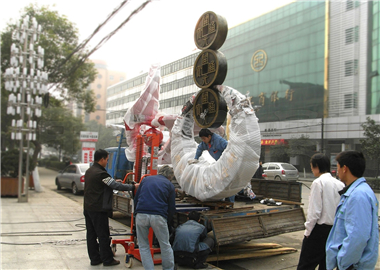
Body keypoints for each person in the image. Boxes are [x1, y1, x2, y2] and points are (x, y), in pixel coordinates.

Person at [326, 151, 379, 270]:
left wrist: (343, 262)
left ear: (344, 168)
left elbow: (358, 237)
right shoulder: (358, 191)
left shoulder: (358, 196)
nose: (337, 170)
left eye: (338, 167)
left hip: (352, 265)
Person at [83, 149, 136, 266]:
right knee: (103, 235)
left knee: (91, 235)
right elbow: (114, 185)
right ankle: (107, 259)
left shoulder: (90, 171)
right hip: (98, 209)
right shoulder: (101, 173)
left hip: (88, 208)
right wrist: (132, 187)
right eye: (107, 159)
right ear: (102, 159)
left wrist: (113, 181)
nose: (107, 162)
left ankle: (95, 259)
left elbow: (108, 183)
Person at [297, 153, 344, 270]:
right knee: (326, 264)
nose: (311, 170)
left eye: (312, 166)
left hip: (318, 230)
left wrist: (308, 231)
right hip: (334, 231)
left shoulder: (318, 183)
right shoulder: (340, 184)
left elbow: (314, 211)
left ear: (317, 166)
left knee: (306, 265)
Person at [134, 165, 176, 270]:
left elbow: (137, 198)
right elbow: (171, 207)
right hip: (158, 216)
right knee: (165, 245)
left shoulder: (146, 179)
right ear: (170, 176)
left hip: (141, 214)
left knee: (143, 246)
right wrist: (168, 221)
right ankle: (168, 268)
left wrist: (136, 213)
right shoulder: (169, 185)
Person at [190, 129, 235, 203]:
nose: (203, 140)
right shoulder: (205, 143)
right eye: (202, 139)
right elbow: (200, 148)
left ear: (209, 136)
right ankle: (219, 199)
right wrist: (196, 158)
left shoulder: (219, 141)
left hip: (228, 164)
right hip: (219, 164)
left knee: (228, 183)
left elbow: (229, 148)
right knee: (219, 181)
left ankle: (230, 202)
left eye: (204, 138)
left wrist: (227, 161)